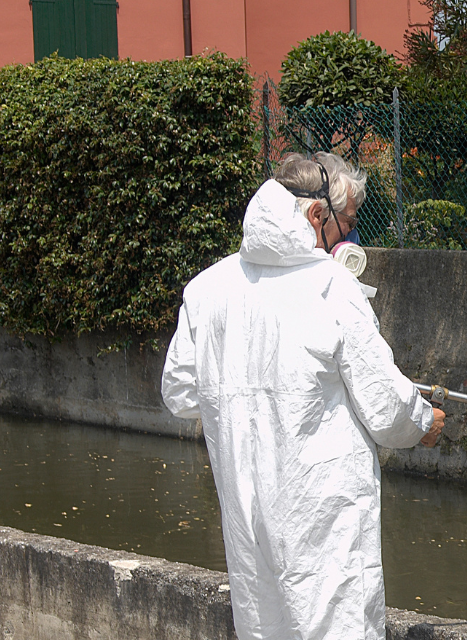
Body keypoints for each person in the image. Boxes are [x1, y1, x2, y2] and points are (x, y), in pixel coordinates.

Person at [161, 152, 445, 640]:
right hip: (323, 518)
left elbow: (181, 393)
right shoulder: (332, 286)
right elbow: (384, 405)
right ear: (317, 214)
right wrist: (423, 421)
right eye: (347, 224)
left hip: (249, 516)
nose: (349, 237)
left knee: (264, 627)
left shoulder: (208, 289)